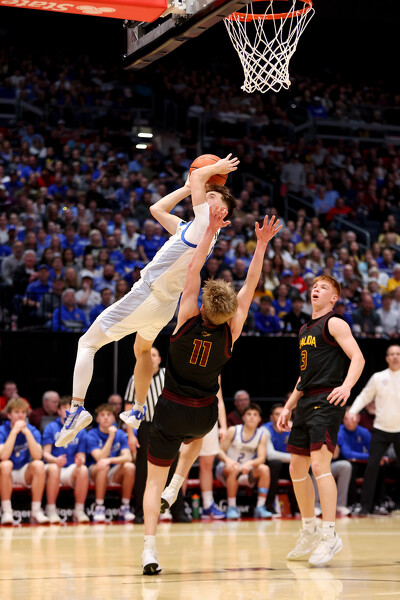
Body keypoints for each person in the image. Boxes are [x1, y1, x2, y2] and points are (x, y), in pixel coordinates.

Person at [55, 155, 239, 448]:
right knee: (142, 350)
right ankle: (139, 409)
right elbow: (157, 209)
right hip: (164, 306)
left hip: (148, 295)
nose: (207, 193)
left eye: (213, 195)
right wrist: (186, 187)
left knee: (87, 343)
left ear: (222, 212)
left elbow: (197, 178)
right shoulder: (191, 228)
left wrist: (212, 170)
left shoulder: (205, 224)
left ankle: (76, 409)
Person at [141, 206, 281, 574]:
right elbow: (250, 285)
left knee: (152, 482)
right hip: (203, 413)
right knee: (195, 440)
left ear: (203, 304)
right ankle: (178, 484)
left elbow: (194, 267)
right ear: (229, 312)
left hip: (170, 407)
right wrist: (261, 244)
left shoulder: (187, 316)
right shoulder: (231, 330)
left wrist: (209, 231)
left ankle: (149, 550)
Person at [277, 275, 365, 566]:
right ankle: (309, 530)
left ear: (334, 298)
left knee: (319, 465)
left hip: (328, 400)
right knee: (296, 468)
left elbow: (358, 358)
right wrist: (288, 407)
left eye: (323, 287)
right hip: (306, 401)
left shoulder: (335, 323)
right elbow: (304, 376)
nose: (316, 289)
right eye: (315, 286)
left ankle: (329, 535)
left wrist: (347, 387)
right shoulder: (304, 329)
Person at [124, 347, 189, 523]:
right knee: (143, 471)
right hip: (145, 427)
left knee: (173, 468)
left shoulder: (168, 376)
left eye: (154, 355)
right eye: (148, 355)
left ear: (159, 359)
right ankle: (140, 512)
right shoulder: (135, 377)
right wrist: (131, 435)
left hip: (169, 426)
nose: (151, 358)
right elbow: (129, 407)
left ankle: (179, 511)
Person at [347, 343, 400, 515]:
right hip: (380, 429)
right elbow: (364, 396)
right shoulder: (378, 377)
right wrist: (353, 411)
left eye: (398, 354)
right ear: (387, 358)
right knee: (372, 467)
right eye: (392, 354)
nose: (395, 357)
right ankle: (365, 506)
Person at [216, 402, 273, 519]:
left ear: (259, 419)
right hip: (226, 469)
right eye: (249, 414)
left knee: (264, 469)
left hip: (245, 469)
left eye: (255, 414)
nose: (252, 417)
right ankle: (232, 507)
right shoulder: (233, 430)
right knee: (233, 468)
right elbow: (219, 451)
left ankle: (260, 507)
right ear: (243, 417)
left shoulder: (261, 435)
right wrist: (228, 461)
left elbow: (262, 458)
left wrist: (250, 463)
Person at [0, 398, 49, 524]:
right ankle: (7, 512)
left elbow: (38, 456)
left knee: (39, 465)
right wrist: (14, 432)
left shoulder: (32, 430)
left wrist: (27, 433)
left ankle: (36, 511)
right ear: (9, 415)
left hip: (23, 471)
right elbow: (3, 456)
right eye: (17, 412)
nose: (20, 415)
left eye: (23, 412)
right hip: (5, 473)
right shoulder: (2, 430)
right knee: (5, 464)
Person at [42, 396, 90, 523]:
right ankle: (51, 510)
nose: (68, 410)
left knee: (83, 469)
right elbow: (45, 454)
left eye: (71, 407)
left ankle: (79, 511)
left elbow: (82, 456)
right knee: (54, 468)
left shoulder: (80, 430)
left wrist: (80, 461)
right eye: (65, 408)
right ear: (59, 411)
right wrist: (55, 460)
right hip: (53, 467)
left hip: (69, 469)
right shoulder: (50, 427)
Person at [86, 403, 135, 522]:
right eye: (102, 415)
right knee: (103, 466)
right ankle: (99, 507)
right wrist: (111, 437)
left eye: (109, 414)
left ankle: (125, 506)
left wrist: (110, 460)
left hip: (113, 471)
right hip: (94, 472)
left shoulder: (121, 434)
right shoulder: (92, 434)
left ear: (114, 418)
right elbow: (99, 458)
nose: (106, 417)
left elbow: (128, 457)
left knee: (129, 467)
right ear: (97, 419)